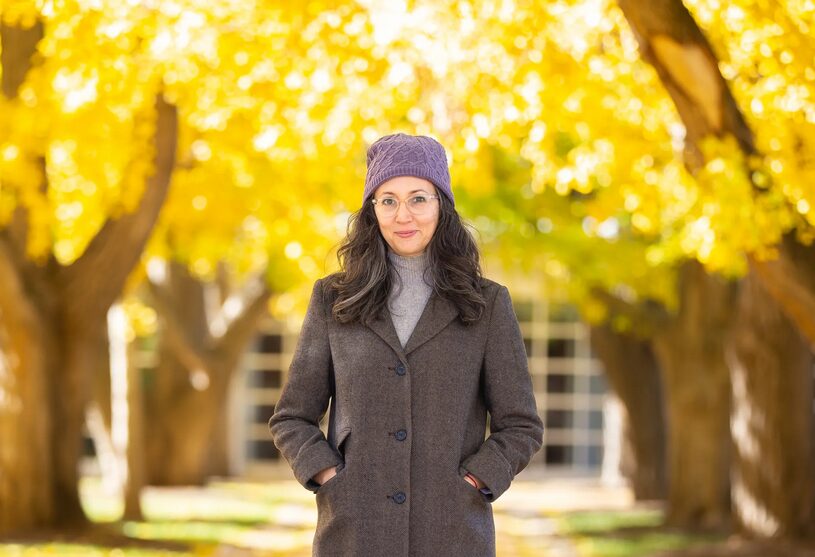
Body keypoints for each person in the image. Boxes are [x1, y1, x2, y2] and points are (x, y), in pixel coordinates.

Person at [269, 133, 543, 557]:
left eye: (419, 198)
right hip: (355, 532)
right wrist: (328, 476)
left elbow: (521, 424)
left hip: (453, 533)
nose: (404, 215)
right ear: (372, 210)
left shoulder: (487, 304)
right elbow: (292, 417)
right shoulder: (333, 299)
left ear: (441, 206)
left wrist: (475, 482)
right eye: (388, 200)